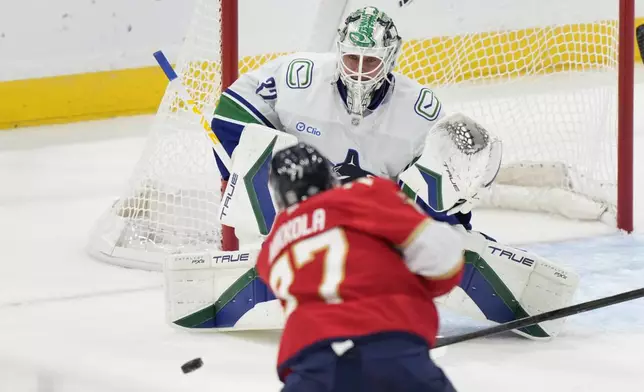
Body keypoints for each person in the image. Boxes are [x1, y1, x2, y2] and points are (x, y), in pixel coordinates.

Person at [213, 5, 579, 339]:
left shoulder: (420, 112)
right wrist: (237, 172)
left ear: (390, 57)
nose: (357, 71)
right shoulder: (298, 76)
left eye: (369, 62)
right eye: (351, 58)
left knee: (445, 204)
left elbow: (442, 199)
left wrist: (448, 233)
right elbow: (230, 114)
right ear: (338, 51)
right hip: (307, 219)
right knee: (271, 157)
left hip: (379, 231)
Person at [256, 143, 463, 391]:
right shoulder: (362, 194)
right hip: (388, 349)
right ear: (330, 177)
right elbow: (442, 257)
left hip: (310, 368)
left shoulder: (271, 248)